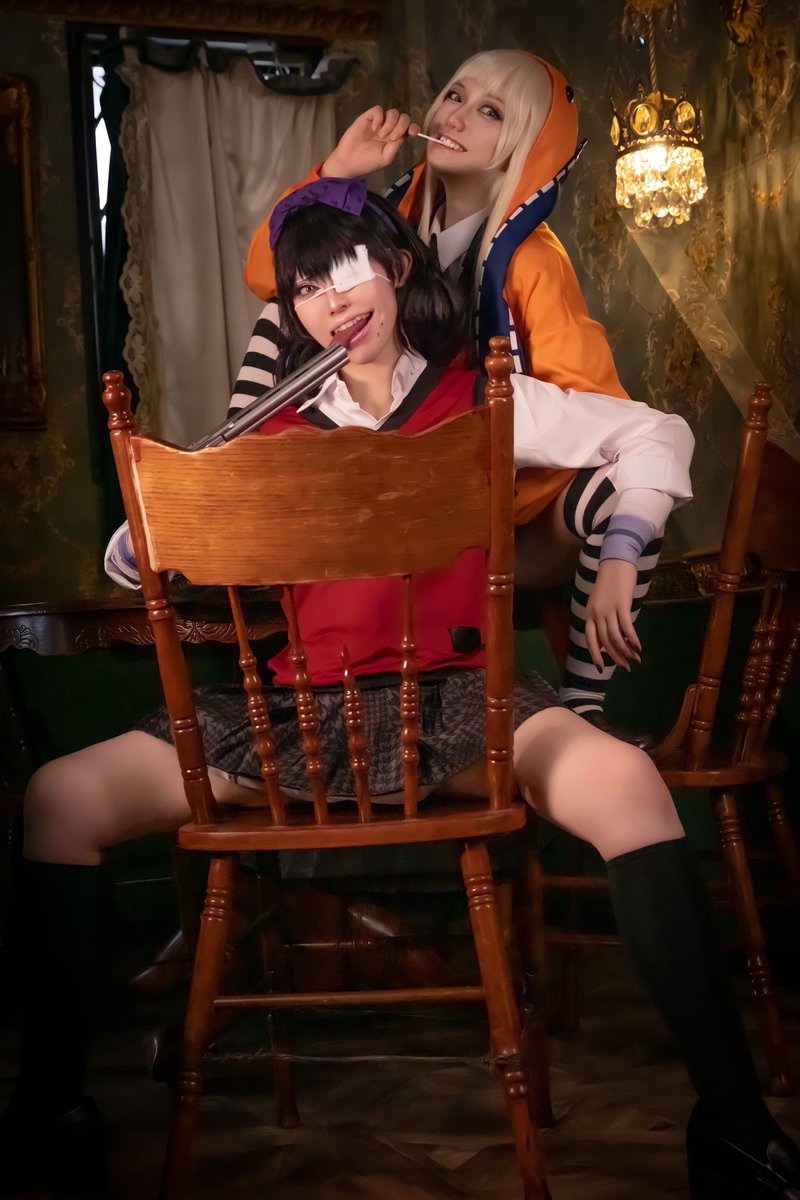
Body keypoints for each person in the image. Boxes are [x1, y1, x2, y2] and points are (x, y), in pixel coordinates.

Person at [2, 185, 798, 1200]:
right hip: (300, 716)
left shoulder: (484, 401)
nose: (331, 299)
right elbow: (136, 557)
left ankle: (734, 1129)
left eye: (348, 268)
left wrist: (620, 550)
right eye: (304, 287)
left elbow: (655, 433)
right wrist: (156, 528)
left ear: (397, 267)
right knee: (60, 798)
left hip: (462, 699)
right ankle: (49, 1119)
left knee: (630, 789)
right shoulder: (272, 431)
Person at [238, 49, 662, 745]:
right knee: (274, 316)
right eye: (455, 96)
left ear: (524, 146)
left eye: (490, 111)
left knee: (616, 488)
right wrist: (339, 171)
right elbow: (269, 276)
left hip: (499, 515)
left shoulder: (532, 261)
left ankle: (584, 705)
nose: (457, 116)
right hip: (390, 490)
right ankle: (235, 470)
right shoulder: (388, 215)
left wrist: (485, 483)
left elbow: (597, 410)